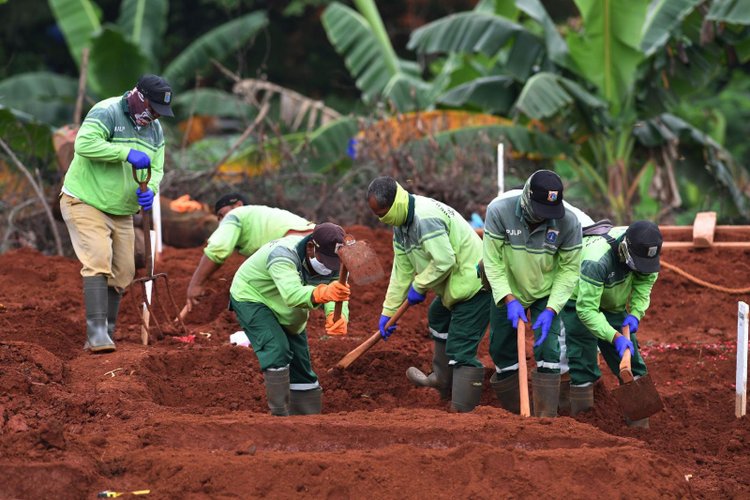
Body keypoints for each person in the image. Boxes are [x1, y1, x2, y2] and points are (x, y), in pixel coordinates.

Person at [60, 74, 173, 353]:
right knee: (98, 257)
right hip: (85, 201)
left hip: (121, 211)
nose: (156, 115)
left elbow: (156, 168)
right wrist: (126, 152)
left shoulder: (156, 130)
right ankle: (97, 334)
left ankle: (108, 331)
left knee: (124, 270)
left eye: (161, 111)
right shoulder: (107, 111)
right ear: (140, 97)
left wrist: (152, 189)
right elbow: (83, 144)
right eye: (154, 107)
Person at [367, 176, 490, 413]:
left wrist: (420, 285)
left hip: (476, 284)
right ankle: (443, 382)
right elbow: (401, 270)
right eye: (377, 215)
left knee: (461, 346)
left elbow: (444, 261)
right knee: (437, 316)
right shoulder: (401, 226)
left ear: (395, 202)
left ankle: (463, 409)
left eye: (382, 213)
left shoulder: (425, 218)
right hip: (453, 287)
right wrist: (388, 311)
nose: (381, 219)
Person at [482, 170, 582, 417]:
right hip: (507, 285)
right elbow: (491, 262)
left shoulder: (569, 222)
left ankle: (546, 418)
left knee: (549, 349)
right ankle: (514, 414)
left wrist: (552, 308)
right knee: (501, 349)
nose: (544, 218)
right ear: (527, 198)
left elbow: (569, 271)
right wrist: (508, 297)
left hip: (544, 292)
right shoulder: (499, 211)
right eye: (540, 210)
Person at [229, 223, 350, 416]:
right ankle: (280, 417)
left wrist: (337, 316)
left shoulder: (340, 261)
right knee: (277, 348)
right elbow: (292, 295)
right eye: (326, 261)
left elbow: (338, 292)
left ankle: (308, 418)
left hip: (285, 305)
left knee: (301, 363)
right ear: (311, 247)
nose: (330, 268)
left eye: (334, 263)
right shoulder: (283, 255)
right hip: (252, 296)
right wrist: (325, 292)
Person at [559, 220, 662, 428]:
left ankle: (640, 428)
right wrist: (614, 336)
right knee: (582, 357)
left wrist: (634, 314)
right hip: (579, 299)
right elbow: (587, 310)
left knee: (631, 362)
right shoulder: (596, 261)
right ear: (624, 249)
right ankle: (585, 422)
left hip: (613, 304)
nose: (642, 268)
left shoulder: (646, 252)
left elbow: (644, 284)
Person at [183, 194, 339, 330]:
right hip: (317, 253)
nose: (220, 222)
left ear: (237, 205)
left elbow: (219, 249)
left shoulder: (235, 214)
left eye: (221, 215)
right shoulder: (263, 218)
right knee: (326, 291)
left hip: (295, 251)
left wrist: (195, 284)